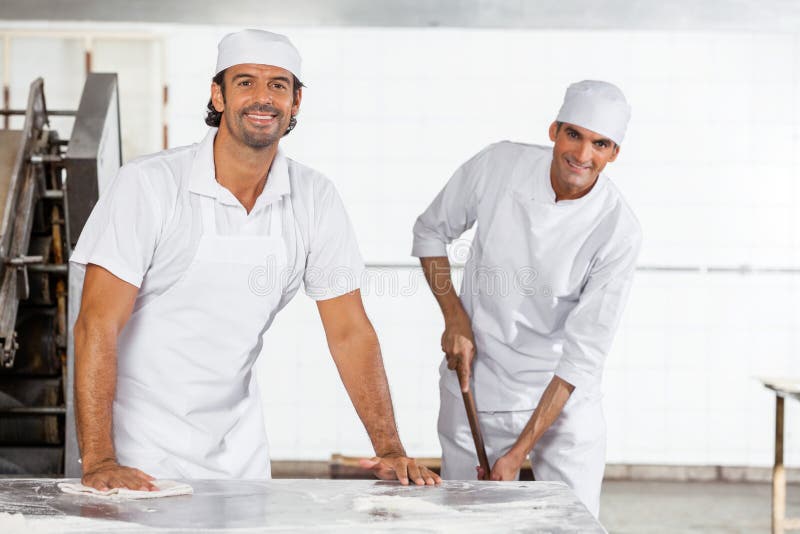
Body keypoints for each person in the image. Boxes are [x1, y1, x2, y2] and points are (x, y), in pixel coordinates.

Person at [71, 29, 439, 490]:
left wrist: (390, 448)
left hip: (238, 458)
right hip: (137, 451)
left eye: (278, 85)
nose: (262, 98)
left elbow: (350, 331)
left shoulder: (314, 198)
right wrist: (100, 458)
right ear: (218, 96)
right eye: (245, 82)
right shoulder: (147, 186)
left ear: (296, 102)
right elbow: (96, 324)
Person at [412, 80, 641, 516]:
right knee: (468, 521)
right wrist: (454, 318)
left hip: (562, 399)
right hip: (477, 383)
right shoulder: (499, 166)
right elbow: (429, 231)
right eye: (573, 134)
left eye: (600, 144)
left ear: (614, 153)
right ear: (553, 130)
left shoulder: (619, 231)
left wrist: (519, 453)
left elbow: (582, 357)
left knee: (571, 523)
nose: (582, 155)